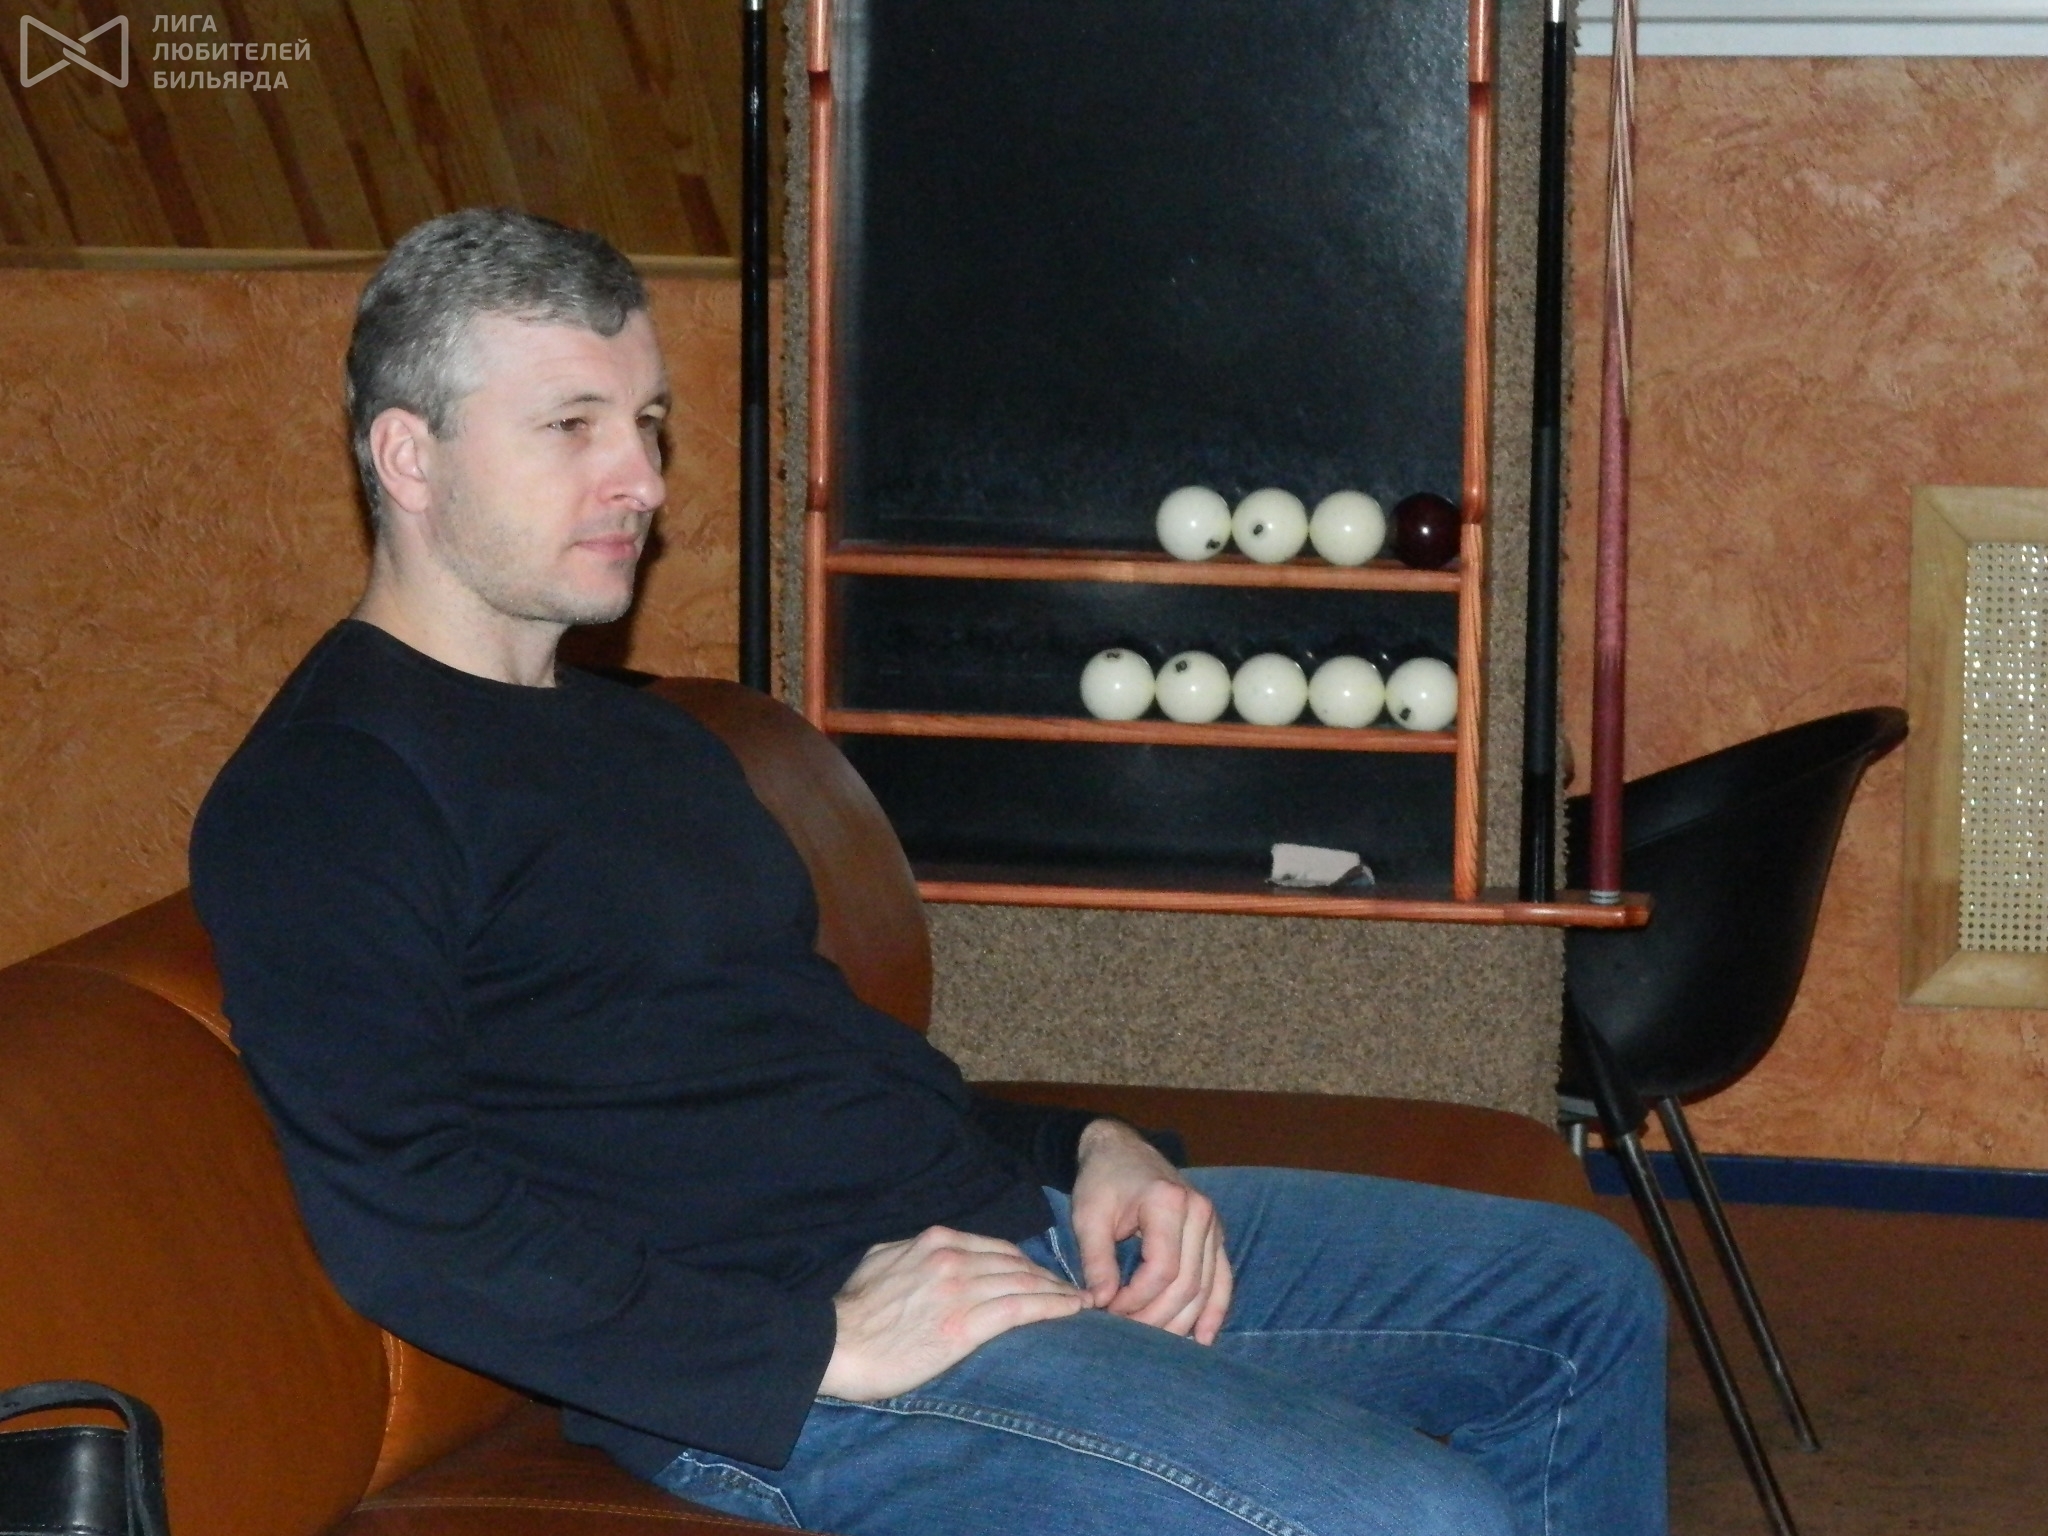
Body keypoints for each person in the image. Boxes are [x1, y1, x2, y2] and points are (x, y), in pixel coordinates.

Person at [190, 208, 1666, 1536]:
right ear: (409, 455)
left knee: (1579, 1294)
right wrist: (822, 1346)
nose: (640, 478)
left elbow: (819, 1060)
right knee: (1415, 1515)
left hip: (989, 1236)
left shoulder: (642, 737)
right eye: (571, 426)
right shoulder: (333, 790)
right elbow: (404, 1216)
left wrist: (1092, 1145)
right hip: (802, 1365)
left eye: (646, 423)